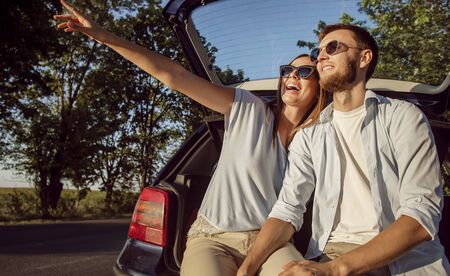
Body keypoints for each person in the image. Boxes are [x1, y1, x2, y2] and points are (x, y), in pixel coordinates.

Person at [54, 1, 327, 275]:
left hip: (272, 244)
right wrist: (101, 34)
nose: (292, 75)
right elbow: (174, 75)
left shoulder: (317, 138)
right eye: (287, 70)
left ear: (320, 87)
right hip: (214, 238)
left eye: (304, 72)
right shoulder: (248, 108)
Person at [238, 24, 450, 276]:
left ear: (364, 57)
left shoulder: (404, 118)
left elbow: (420, 216)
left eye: (333, 47)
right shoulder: (309, 135)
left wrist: (334, 270)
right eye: (319, 53)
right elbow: (288, 208)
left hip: (403, 261)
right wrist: (246, 270)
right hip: (329, 253)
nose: (321, 57)